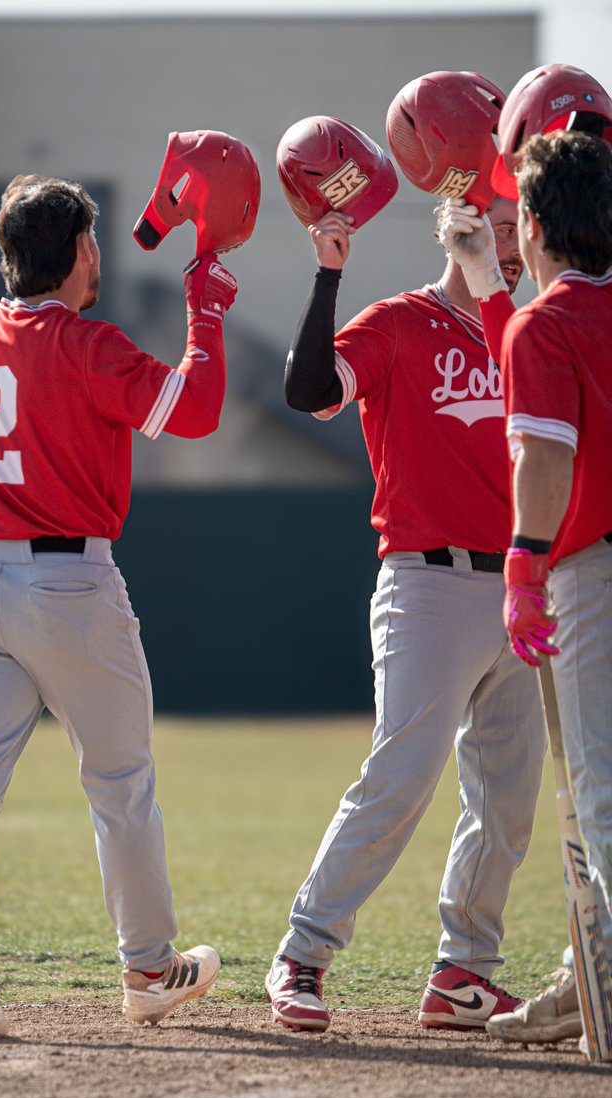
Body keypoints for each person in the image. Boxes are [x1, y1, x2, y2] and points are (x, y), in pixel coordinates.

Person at [0, 174, 238, 1039]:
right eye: (95, 242)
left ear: (7, 254)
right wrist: (206, 315)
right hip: (69, 585)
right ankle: (148, 969)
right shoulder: (93, 347)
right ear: (83, 252)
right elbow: (197, 411)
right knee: (121, 784)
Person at [264, 195, 547, 1034]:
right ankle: (303, 953)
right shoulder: (399, 323)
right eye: (486, 226)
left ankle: (464, 971)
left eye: (511, 226)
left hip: (523, 585)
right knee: (403, 773)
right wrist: (328, 272)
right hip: (429, 582)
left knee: (508, 798)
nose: (501, 241)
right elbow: (307, 388)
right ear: (451, 233)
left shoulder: (527, 332)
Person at [479, 130, 612, 1046]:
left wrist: (523, 567)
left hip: (591, 567)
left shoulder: (547, 321)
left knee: (601, 792)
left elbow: (547, 461)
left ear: (531, 223)